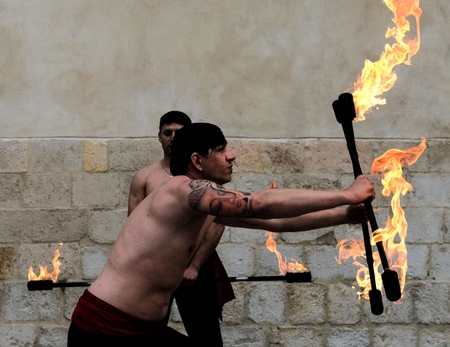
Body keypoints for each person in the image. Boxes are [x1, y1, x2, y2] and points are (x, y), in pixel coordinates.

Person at [68, 122, 375, 346]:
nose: (232, 156)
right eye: (221, 150)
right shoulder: (180, 190)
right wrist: (346, 194)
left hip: (142, 330)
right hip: (104, 329)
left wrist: (343, 215)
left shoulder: (202, 207)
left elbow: (276, 221)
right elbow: (260, 203)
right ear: (197, 161)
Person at [128, 110, 234, 346]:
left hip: (195, 267)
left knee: (206, 336)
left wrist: (194, 266)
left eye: (179, 133)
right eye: (168, 132)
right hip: (157, 269)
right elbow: (134, 226)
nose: (173, 137)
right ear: (159, 136)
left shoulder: (206, 178)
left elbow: (217, 223)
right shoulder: (145, 177)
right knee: (149, 333)